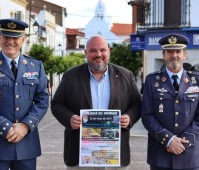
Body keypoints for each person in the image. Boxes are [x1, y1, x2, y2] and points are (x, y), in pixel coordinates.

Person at [51, 35, 142, 169]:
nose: (98, 54)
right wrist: (69, 119)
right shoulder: (71, 76)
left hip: (114, 155)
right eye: (93, 50)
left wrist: (130, 118)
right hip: (80, 155)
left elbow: (137, 104)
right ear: (85, 53)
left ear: (109, 51)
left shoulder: (125, 75)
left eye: (102, 50)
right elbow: (56, 104)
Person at [142, 33, 199, 170]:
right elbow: (147, 116)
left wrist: (183, 142)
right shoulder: (151, 81)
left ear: (184, 54)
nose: (174, 55)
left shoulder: (196, 81)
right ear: (164, 55)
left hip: (189, 156)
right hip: (161, 155)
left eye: (178, 51)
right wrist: (169, 140)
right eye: (170, 52)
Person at [0, 19, 49, 170]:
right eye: (6, 36)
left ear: (23, 39)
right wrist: (5, 126)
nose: (10, 42)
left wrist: (25, 126)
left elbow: (42, 100)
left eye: (15, 37)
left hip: (26, 144)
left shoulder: (36, 66)